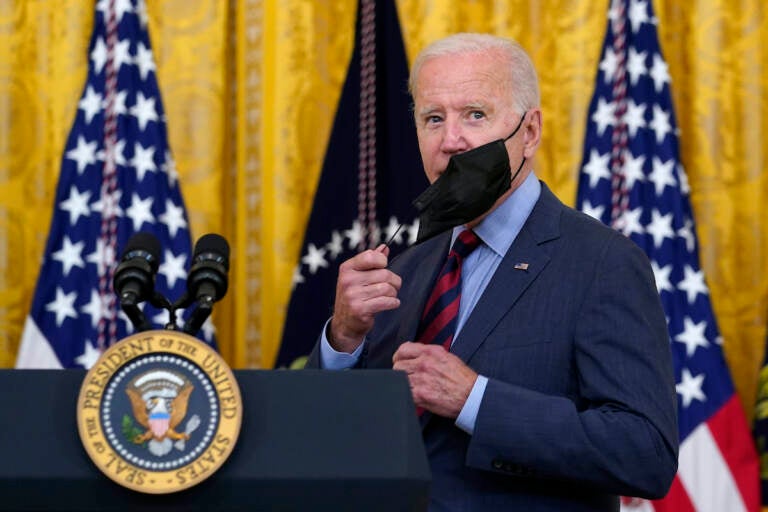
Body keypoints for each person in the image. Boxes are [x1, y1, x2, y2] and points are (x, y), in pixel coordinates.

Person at [304, 33, 678, 511]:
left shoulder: (602, 261)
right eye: (433, 119)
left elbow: (645, 453)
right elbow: (330, 438)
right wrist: (343, 339)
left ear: (530, 131)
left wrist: (475, 401)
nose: (451, 140)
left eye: (475, 115)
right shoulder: (407, 266)